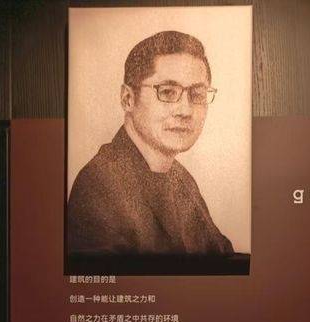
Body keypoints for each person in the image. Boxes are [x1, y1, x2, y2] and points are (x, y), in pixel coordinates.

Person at [68, 30, 234, 262]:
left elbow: (222, 260)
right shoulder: (99, 186)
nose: (185, 110)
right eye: (167, 92)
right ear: (128, 99)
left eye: (197, 94)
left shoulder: (181, 180)